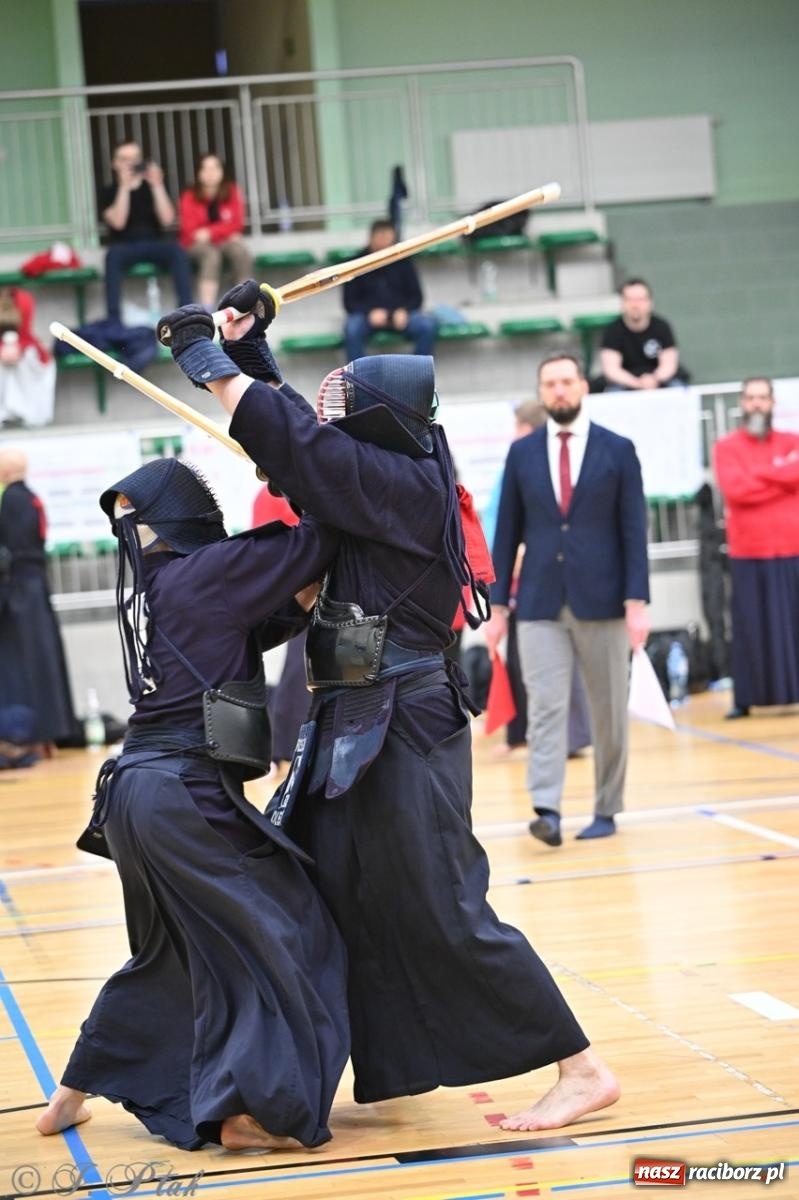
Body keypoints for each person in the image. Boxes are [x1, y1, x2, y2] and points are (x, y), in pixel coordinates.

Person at [157, 282, 620, 1133]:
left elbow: (307, 449)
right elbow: (307, 449)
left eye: (349, 403)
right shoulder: (391, 475)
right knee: (315, 894)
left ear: (383, 417)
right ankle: (288, 1081)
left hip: (403, 722)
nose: (333, 414)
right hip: (358, 723)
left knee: (444, 904)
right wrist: (250, 349)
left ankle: (581, 1067)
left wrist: (206, 361)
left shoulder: (404, 486)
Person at [36, 457, 349, 1151]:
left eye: (136, 525)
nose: (135, 539)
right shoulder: (207, 572)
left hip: (137, 797)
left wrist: (296, 598)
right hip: (181, 794)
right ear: (190, 513)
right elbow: (318, 539)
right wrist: (307, 474)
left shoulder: (168, 583)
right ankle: (255, 1108)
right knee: (292, 929)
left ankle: (67, 1096)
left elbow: (253, 627)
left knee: (171, 953)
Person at [487, 354, 650, 846]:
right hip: (537, 601)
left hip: (603, 600)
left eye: (565, 382)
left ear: (582, 386)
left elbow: (633, 530)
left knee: (608, 712)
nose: (558, 391)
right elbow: (506, 532)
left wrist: (636, 600)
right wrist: (497, 606)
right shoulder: (522, 454)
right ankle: (547, 809)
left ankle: (607, 807)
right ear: (541, 392)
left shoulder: (618, 451)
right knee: (545, 707)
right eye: (549, 384)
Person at [483, 399, 591, 758]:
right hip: (513, 574)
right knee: (522, 658)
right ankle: (521, 735)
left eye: (519, 427)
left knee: (550, 660)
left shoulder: (546, 464)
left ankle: (563, 736)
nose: (514, 435)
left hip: (538, 574)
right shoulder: (517, 464)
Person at [712, 377, 799, 719]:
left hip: (792, 547)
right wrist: (779, 477)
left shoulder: (792, 441)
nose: (757, 404)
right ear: (742, 404)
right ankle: (745, 697)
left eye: (763, 397)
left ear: (772, 402)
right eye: (751, 398)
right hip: (748, 550)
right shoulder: (726, 447)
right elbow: (735, 491)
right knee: (749, 626)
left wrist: (759, 475)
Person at [0, 447, 77, 757]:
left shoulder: (11, 501)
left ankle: (31, 735)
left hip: (19, 592)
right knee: (40, 661)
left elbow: (10, 551)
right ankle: (47, 735)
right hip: (35, 588)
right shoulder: (28, 497)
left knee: (23, 665)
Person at [100, 140, 193, 322]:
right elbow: (118, 222)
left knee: (177, 252)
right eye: (124, 159)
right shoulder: (108, 191)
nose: (130, 164)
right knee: (112, 257)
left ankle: (187, 314)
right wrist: (124, 187)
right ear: (114, 163)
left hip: (155, 242)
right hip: (124, 246)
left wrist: (157, 185)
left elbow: (167, 220)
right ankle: (114, 320)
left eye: (135, 159)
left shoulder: (152, 186)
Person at [251, 483, 308, 771]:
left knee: (301, 672)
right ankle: (283, 749)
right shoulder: (270, 497)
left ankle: (287, 748)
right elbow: (265, 550)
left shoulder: (312, 485)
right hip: (299, 594)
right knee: (298, 671)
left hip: (318, 591)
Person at [342, 219, 438, 362]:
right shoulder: (356, 263)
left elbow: (416, 297)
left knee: (427, 325)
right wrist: (369, 312)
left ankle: (417, 374)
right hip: (368, 317)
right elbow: (349, 302)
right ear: (371, 237)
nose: (384, 241)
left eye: (387, 236)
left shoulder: (404, 263)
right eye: (380, 236)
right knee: (352, 328)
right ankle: (358, 379)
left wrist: (403, 310)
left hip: (400, 315)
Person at [179, 154, 253, 310]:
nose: (211, 173)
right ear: (198, 173)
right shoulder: (189, 196)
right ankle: (207, 310)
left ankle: (246, 302)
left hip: (223, 241)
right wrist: (224, 231)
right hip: (194, 245)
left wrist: (210, 233)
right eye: (206, 168)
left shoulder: (232, 191)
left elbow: (237, 224)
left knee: (240, 252)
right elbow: (191, 231)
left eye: (215, 168)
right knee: (211, 255)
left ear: (222, 171)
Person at [599, 278, 687, 391]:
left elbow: (669, 364)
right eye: (629, 299)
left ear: (650, 302)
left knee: (679, 390)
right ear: (622, 303)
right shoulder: (612, 331)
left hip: (659, 380)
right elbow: (611, 369)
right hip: (625, 383)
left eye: (640, 299)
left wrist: (653, 379)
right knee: (612, 394)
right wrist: (637, 383)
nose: (635, 305)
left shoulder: (662, 327)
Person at [0, 286, 56, 427]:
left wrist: (18, 349)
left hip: (26, 355)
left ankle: (31, 413)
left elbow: (26, 335)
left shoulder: (24, 301)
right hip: (4, 353)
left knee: (28, 357)